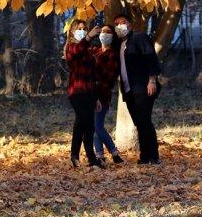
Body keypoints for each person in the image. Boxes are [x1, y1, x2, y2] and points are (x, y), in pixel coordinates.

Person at [113, 13, 161, 165]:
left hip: (143, 87)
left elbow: (151, 58)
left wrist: (152, 80)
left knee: (145, 121)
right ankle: (144, 156)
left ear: (129, 25)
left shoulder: (139, 38)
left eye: (123, 22)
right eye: (117, 23)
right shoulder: (119, 44)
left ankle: (153, 156)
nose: (120, 25)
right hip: (128, 90)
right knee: (139, 123)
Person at [64, 19, 105, 168]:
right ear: (72, 31)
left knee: (84, 124)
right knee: (85, 122)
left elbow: (93, 76)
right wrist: (89, 37)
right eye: (79, 28)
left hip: (89, 93)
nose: (82, 30)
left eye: (84, 28)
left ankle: (78, 156)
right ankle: (88, 157)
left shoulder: (87, 50)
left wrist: (96, 98)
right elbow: (76, 51)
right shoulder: (70, 47)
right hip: (77, 92)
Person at [90, 24, 123, 164]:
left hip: (102, 95)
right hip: (90, 94)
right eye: (102, 31)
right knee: (94, 126)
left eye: (108, 32)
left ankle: (115, 153)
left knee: (97, 126)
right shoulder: (95, 51)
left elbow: (107, 78)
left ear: (113, 36)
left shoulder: (113, 55)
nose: (104, 34)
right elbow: (79, 50)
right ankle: (100, 156)